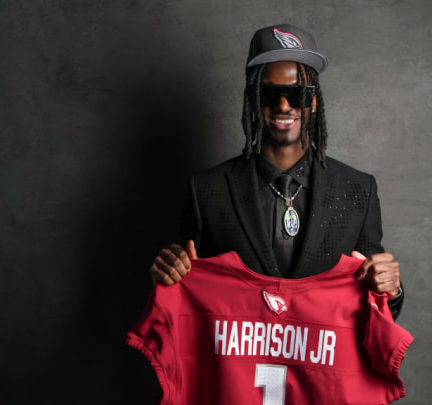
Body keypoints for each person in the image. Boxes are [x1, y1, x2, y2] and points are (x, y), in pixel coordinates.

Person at [148, 24, 404, 319]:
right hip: (237, 363)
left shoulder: (358, 190)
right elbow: (186, 303)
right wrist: (168, 277)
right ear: (253, 99)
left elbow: (377, 304)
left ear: (314, 101)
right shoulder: (207, 190)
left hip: (320, 363)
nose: (284, 105)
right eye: (270, 93)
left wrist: (392, 292)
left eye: (298, 94)